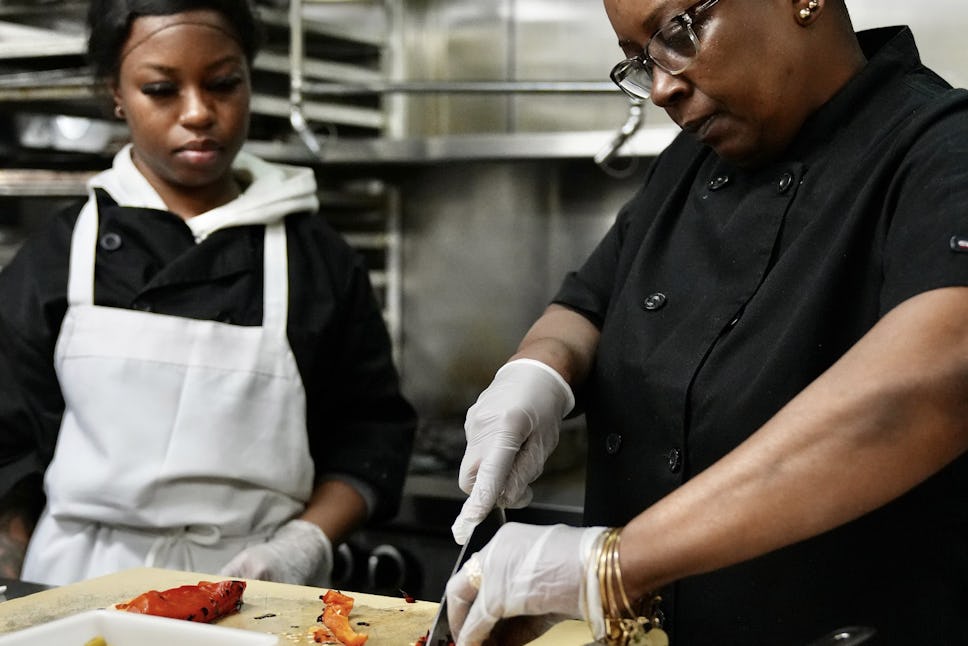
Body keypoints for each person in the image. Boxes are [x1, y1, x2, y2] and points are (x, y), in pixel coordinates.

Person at [444, 0, 968, 644]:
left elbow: (935, 379)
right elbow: (585, 307)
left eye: (677, 32)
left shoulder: (944, 147)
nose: (661, 88)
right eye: (639, 61)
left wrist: (613, 564)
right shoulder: (690, 162)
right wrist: (537, 374)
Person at [0, 0, 415, 588]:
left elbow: (371, 434)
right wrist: (18, 583)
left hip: (257, 587)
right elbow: (9, 446)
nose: (198, 112)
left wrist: (304, 543)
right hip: (77, 583)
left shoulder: (317, 260)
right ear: (116, 94)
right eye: (161, 90)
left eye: (223, 84)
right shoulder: (60, 255)